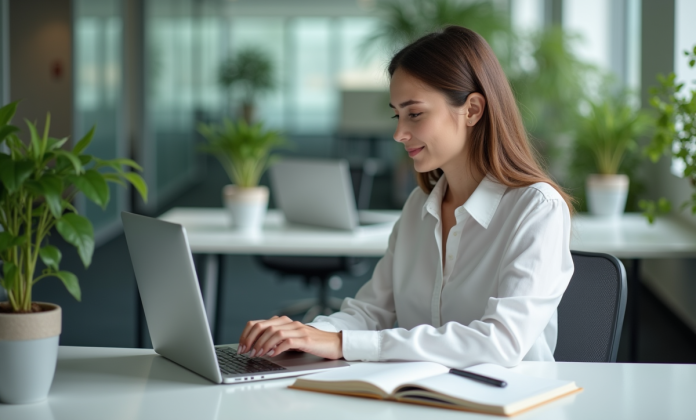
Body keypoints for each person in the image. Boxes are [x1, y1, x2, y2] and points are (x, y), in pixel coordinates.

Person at [237, 26, 574, 369]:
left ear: (472, 110)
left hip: (508, 405)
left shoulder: (536, 208)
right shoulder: (419, 206)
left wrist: (341, 342)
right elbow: (371, 311)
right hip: (421, 399)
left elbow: (502, 342)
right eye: (397, 115)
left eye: (415, 114)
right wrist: (303, 334)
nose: (399, 133)